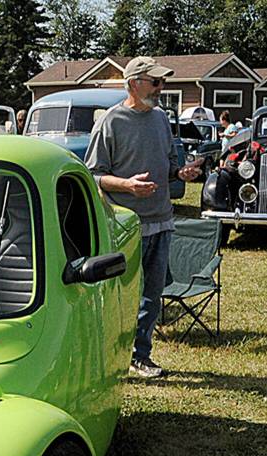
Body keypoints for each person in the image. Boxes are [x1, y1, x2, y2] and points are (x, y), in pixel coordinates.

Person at [85, 56, 201, 379]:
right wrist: (127, 186)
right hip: (126, 226)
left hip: (162, 220)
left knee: (152, 294)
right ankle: (111, 357)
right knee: (120, 295)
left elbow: (169, 164)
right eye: (156, 82)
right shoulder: (111, 122)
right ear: (135, 83)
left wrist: (183, 172)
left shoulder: (161, 119)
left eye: (162, 83)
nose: (162, 89)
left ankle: (141, 356)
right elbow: (93, 175)